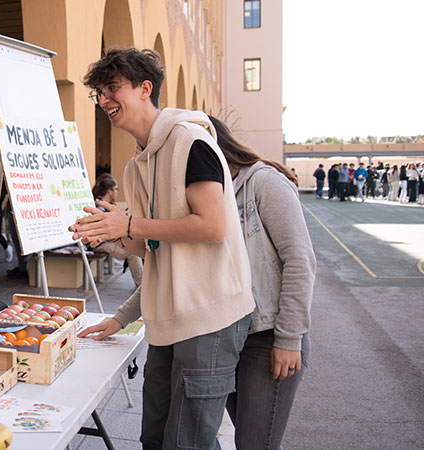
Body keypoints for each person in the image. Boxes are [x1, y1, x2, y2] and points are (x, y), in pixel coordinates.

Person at [72, 48, 254, 449]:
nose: (104, 100)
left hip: (209, 317)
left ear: (145, 89)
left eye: (112, 89)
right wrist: (108, 232)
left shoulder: (191, 141)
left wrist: (129, 223)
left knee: (187, 441)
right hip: (166, 322)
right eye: (98, 93)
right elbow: (151, 245)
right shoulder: (134, 165)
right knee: (153, 437)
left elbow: (211, 227)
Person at [208, 116, 315, 450]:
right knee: (256, 439)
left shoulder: (264, 183)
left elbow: (301, 260)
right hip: (228, 338)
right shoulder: (209, 195)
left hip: (267, 337)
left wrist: (288, 339)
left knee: (256, 443)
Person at [90, 173, 144, 287]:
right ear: (109, 191)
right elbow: (105, 228)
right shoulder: (99, 205)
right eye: (116, 189)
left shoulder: (105, 205)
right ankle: (141, 286)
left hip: (105, 240)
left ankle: (142, 285)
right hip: (99, 243)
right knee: (132, 253)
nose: (117, 192)